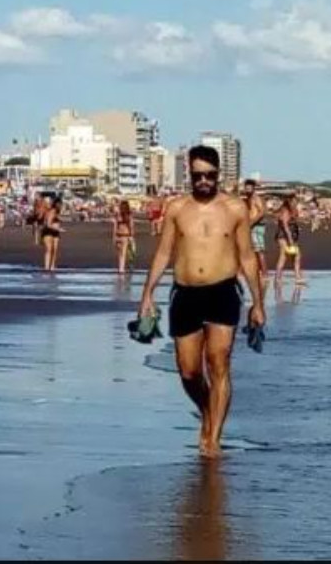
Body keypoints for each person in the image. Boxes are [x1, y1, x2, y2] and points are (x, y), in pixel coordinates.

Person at [137, 146, 266, 459]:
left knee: (218, 362)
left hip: (223, 291)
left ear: (218, 174)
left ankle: (213, 439)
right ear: (190, 175)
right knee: (189, 371)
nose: (204, 181)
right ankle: (207, 409)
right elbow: (165, 252)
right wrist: (147, 295)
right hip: (186, 293)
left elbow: (248, 257)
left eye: (210, 175)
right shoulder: (177, 208)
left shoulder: (235, 208)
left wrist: (258, 303)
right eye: (198, 176)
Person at [242, 179, 267, 293]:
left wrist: (251, 222)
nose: (247, 189)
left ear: (253, 188)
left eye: (249, 187)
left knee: (259, 251)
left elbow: (262, 212)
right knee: (252, 251)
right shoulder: (248, 199)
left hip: (257, 227)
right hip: (252, 226)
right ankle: (257, 273)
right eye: (246, 187)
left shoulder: (256, 198)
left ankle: (265, 274)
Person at [274, 197, 304, 286]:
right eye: (294, 201)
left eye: (296, 201)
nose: (295, 203)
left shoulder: (293, 210)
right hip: (284, 236)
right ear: (289, 201)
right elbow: (285, 225)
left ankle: (298, 277)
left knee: (296, 256)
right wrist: (290, 238)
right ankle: (278, 278)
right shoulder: (286, 210)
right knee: (284, 256)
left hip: (291, 236)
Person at [41, 196, 63, 271]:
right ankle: (47, 267)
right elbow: (48, 224)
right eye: (59, 204)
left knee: (55, 250)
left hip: (55, 232)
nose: (60, 206)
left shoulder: (57, 212)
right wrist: (58, 228)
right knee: (49, 250)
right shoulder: (52, 211)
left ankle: (52, 266)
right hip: (48, 231)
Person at [113, 200, 135, 275]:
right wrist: (132, 236)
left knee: (120, 253)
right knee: (124, 253)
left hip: (119, 234)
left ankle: (120, 268)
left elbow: (115, 226)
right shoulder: (129, 215)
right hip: (126, 235)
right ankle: (122, 269)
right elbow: (131, 226)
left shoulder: (118, 215)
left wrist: (114, 236)